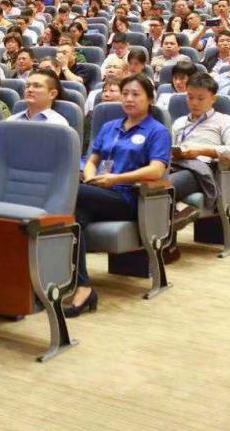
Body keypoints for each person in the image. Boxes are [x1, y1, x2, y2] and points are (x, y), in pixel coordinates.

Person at [66, 74, 170, 316]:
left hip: (128, 197)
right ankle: (83, 287)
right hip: (97, 192)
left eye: (135, 94)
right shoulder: (109, 126)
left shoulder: (157, 131)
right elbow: (92, 160)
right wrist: (91, 177)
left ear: (150, 99)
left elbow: (157, 170)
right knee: (74, 221)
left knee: (71, 191)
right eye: (125, 94)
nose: (129, 99)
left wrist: (115, 179)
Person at [168, 73, 230, 222]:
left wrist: (201, 150)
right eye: (190, 97)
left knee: (160, 187)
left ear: (213, 98)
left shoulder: (224, 121)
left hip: (200, 171)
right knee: (143, 182)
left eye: (200, 98)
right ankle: (176, 212)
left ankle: (176, 211)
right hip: (176, 165)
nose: (194, 103)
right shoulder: (179, 122)